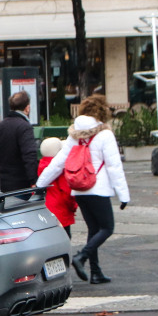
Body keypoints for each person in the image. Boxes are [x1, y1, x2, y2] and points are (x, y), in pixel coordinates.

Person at [35, 94, 130, 284]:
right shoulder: (105, 134)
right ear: (102, 112)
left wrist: (40, 184)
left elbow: (58, 163)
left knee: (94, 229)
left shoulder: (74, 135)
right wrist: (123, 194)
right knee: (107, 228)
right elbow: (114, 166)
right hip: (98, 188)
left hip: (78, 189)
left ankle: (96, 272)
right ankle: (82, 257)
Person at [0, 91, 38, 192]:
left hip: (2, 182)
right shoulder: (24, 127)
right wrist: (33, 180)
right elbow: (29, 155)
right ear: (27, 108)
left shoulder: (1, 126)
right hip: (20, 183)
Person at [37, 136, 76, 238]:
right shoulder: (59, 169)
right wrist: (73, 206)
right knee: (65, 236)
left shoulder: (41, 165)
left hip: (45, 206)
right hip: (60, 208)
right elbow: (66, 191)